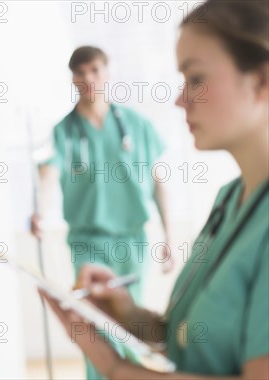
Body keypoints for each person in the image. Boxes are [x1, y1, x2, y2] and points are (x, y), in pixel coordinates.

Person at [40, 0, 269, 378]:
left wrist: (117, 369)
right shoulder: (229, 200)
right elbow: (183, 339)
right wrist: (126, 313)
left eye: (196, 78)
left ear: (261, 82)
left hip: (131, 235)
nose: (180, 99)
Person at [31, 45, 173, 379]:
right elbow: (48, 176)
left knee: (129, 326)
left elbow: (158, 182)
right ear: (73, 79)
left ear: (107, 72)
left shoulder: (136, 125)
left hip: (132, 240)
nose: (88, 79)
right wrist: (39, 211)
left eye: (94, 70)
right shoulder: (64, 131)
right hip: (88, 241)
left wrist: (169, 235)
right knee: (95, 323)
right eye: (80, 73)